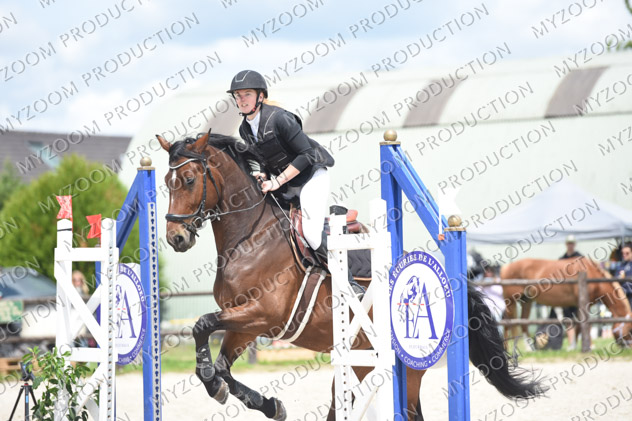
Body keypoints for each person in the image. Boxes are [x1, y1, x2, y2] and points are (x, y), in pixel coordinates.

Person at [228, 70, 365, 297]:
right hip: (286, 184)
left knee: (311, 234)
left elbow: (306, 154)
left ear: (260, 96)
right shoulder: (245, 128)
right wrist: (262, 174)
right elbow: (263, 157)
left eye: (247, 94)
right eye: (238, 95)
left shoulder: (280, 119)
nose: (242, 99)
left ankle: (350, 284)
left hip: (311, 177)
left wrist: (277, 181)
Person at [554, 235, 583, 350]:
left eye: (572, 243)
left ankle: (586, 342)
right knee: (568, 318)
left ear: (574, 244)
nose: (570, 245)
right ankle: (572, 344)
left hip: (578, 294)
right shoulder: (562, 259)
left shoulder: (580, 257)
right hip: (566, 294)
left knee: (581, 317)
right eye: (568, 243)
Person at [618, 242, 632, 310]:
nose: (624, 255)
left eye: (627, 253)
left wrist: (625, 278)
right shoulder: (622, 265)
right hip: (623, 296)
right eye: (623, 253)